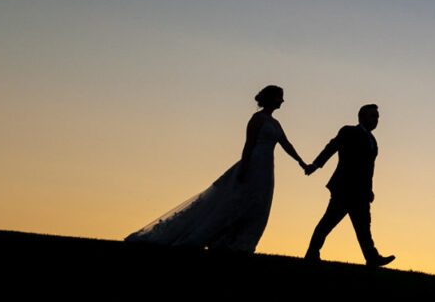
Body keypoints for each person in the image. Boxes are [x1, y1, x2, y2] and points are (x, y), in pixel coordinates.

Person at [126, 85, 310, 250]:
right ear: (271, 98)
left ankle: (239, 242)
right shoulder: (257, 119)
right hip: (253, 163)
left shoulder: (276, 123)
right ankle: (205, 236)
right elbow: (249, 144)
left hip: (267, 169)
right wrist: (245, 167)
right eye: (280, 97)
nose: (283, 101)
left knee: (258, 204)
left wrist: (301, 162)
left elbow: (286, 144)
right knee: (235, 202)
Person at [304, 103, 394, 267]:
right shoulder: (349, 131)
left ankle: (372, 258)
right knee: (328, 222)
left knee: (364, 227)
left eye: (377, 117)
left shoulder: (373, 140)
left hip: (360, 192)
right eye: (373, 116)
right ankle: (312, 253)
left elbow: (368, 169)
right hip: (344, 188)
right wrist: (315, 165)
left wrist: (369, 189)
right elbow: (331, 147)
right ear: (362, 117)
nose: (376, 120)